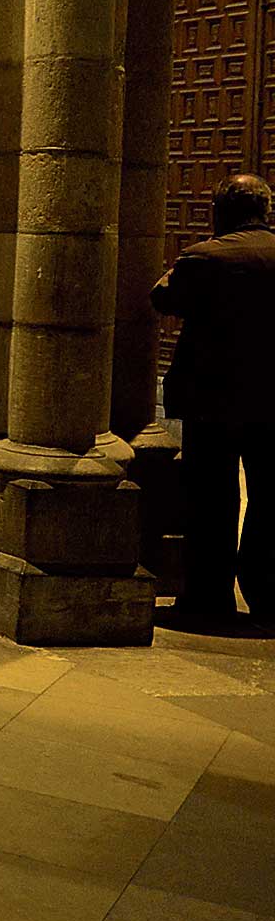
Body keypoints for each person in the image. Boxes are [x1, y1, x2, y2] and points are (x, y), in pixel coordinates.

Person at [152, 173, 275, 623]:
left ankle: (208, 597)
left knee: (211, 500)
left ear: (219, 212)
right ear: (265, 210)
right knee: (269, 498)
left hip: (213, 400)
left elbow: (162, 297)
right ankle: (266, 593)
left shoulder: (202, 257)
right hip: (272, 404)